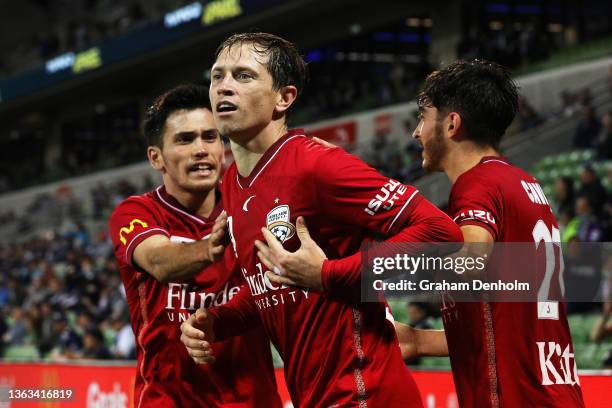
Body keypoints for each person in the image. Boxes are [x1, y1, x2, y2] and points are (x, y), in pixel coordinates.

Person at [180, 32, 463, 407]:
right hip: (315, 397)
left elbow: (441, 232)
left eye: (243, 76)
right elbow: (274, 285)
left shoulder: (316, 164)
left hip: (366, 394)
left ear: (284, 98)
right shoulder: (232, 184)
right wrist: (218, 322)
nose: (224, 87)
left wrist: (329, 275)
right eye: (218, 76)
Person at [402, 59, 584, 407]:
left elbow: (471, 259)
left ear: (452, 124)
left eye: (422, 117)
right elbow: (504, 326)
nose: (416, 132)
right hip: (551, 390)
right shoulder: (523, 183)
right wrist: (418, 341)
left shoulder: (476, 184)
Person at [108, 84, 280, 407]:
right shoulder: (135, 213)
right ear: (156, 157)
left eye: (210, 136)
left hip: (254, 399)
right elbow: (159, 261)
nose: (201, 149)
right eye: (185, 140)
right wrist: (210, 248)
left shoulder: (251, 203)